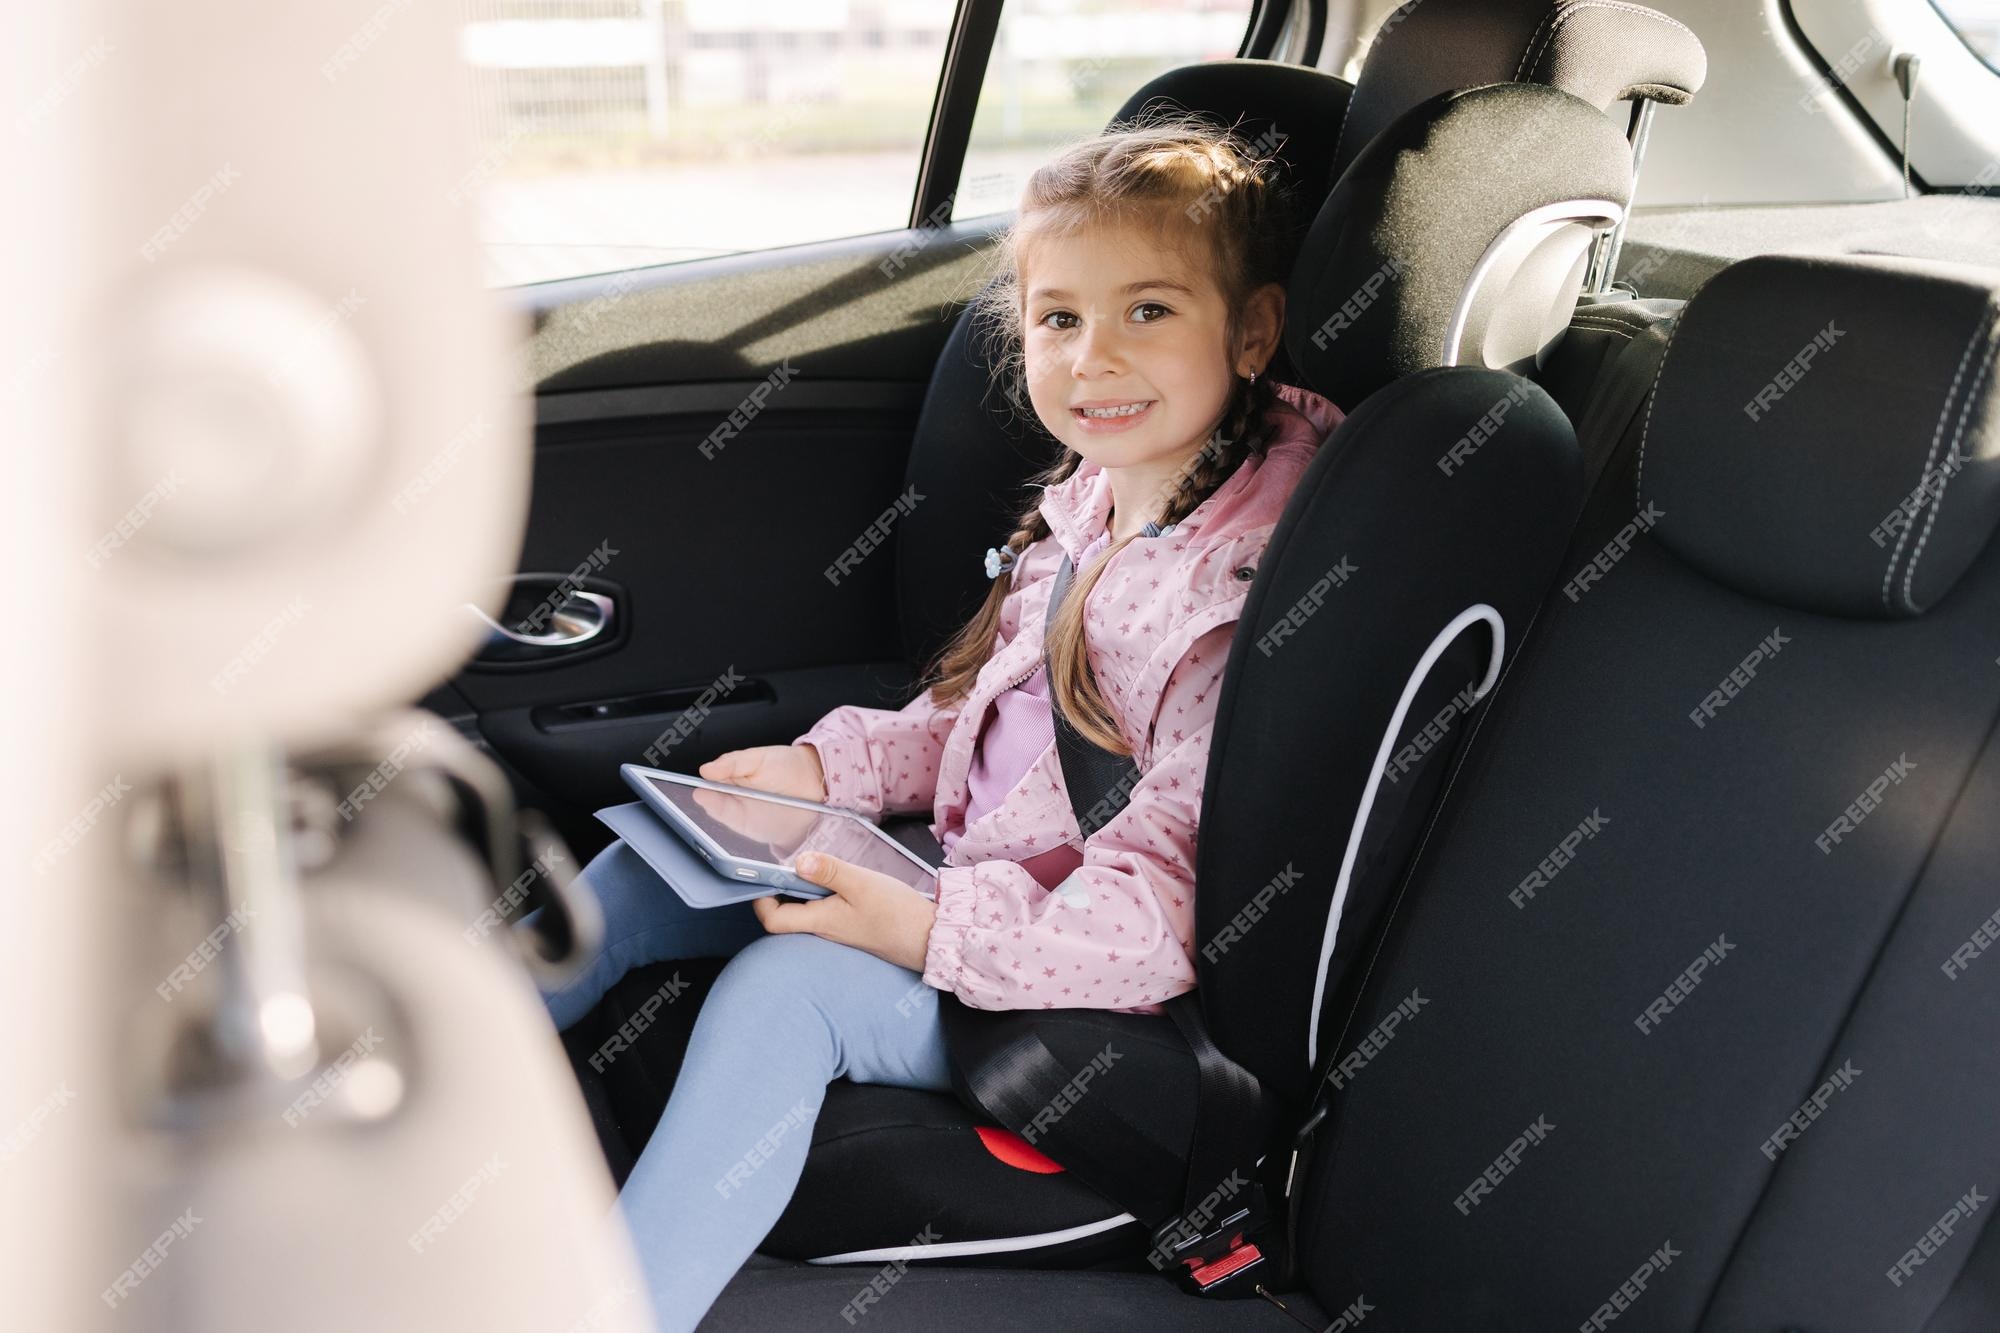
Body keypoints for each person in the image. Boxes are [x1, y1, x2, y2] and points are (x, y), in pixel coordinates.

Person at [541, 110, 1345, 1330]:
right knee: (648, 868)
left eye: (1148, 311)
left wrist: (927, 929)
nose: (1092, 359)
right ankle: (395, 1095)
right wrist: (822, 767)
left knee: (786, 986)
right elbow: (983, 712)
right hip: (971, 882)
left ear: (1250, 332)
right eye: (1058, 319)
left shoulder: (1231, 605)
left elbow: (1150, 918)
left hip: (1060, 995)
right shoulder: (1101, 501)